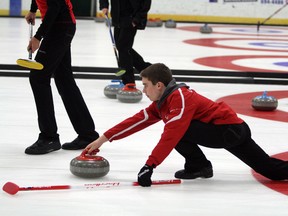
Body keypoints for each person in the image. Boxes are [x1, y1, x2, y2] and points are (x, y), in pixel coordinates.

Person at [85, 63, 288, 187]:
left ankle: (199, 166)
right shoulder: (162, 102)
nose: (143, 90)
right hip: (228, 130)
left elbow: (171, 135)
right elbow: (137, 121)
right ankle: (199, 167)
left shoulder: (179, 98)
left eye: (145, 85)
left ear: (159, 85)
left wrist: (149, 166)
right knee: (272, 172)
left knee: (177, 130)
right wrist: (102, 139)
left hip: (229, 131)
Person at [24, 0, 99, 155]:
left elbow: (55, 6)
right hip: (61, 24)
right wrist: (33, 9)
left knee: (38, 77)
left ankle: (49, 137)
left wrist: (38, 37)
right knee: (64, 80)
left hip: (59, 25)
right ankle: (87, 134)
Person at [100, 0, 152, 85]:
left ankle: (128, 82)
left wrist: (137, 19)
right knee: (122, 47)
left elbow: (146, 2)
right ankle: (147, 70)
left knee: (123, 48)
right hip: (117, 17)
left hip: (131, 18)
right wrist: (104, 5)